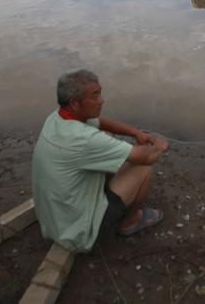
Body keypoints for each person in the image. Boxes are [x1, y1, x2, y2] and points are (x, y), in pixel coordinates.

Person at [32, 69, 169, 253]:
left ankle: (108, 196)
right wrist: (160, 145)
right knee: (142, 168)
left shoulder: (57, 117)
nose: (102, 100)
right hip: (77, 234)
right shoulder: (84, 139)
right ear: (74, 103)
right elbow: (146, 157)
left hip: (55, 221)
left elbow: (100, 122)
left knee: (105, 136)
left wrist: (134, 132)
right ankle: (131, 221)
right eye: (95, 96)